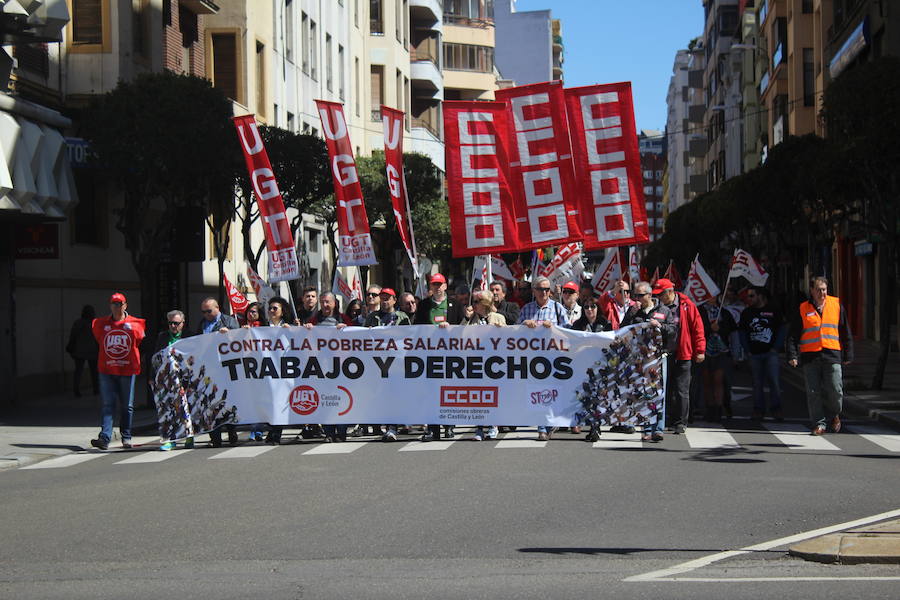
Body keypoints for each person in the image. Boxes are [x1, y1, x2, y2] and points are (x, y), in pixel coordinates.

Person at [787, 276, 853, 436]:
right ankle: (819, 424)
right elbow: (793, 334)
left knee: (836, 390)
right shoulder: (803, 308)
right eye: (818, 290)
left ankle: (835, 414)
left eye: (824, 289)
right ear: (812, 291)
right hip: (811, 356)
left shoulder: (836, 305)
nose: (822, 293)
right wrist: (792, 354)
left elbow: (845, 331)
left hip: (832, 354)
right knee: (813, 392)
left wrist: (848, 353)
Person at [90, 293, 146, 451]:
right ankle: (105, 437)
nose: (117, 306)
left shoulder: (136, 324)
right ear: (110, 305)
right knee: (108, 404)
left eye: (119, 303)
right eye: (114, 303)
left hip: (128, 370)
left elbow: (139, 342)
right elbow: (99, 340)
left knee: (127, 405)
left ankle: (126, 436)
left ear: (125, 305)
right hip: (106, 369)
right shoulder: (100, 324)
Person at [518, 276, 569, 441]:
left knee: (552, 391)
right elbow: (513, 333)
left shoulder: (557, 308)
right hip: (534, 358)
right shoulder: (526, 309)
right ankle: (541, 427)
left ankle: (550, 422)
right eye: (540, 289)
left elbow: (569, 331)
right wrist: (524, 324)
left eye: (547, 289)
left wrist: (553, 327)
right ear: (534, 291)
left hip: (554, 357)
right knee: (538, 392)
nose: (544, 292)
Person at [622, 281, 674, 441]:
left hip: (657, 357)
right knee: (642, 394)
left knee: (658, 393)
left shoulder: (664, 310)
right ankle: (645, 429)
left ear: (650, 295)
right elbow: (622, 329)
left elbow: (672, 331)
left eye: (640, 295)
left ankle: (657, 429)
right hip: (639, 359)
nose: (637, 298)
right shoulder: (633, 310)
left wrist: (660, 325)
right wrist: (632, 314)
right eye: (635, 295)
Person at [653, 278, 705, 434]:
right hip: (664, 354)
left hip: (683, 353)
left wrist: (700, 350)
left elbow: (698, 328)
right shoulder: (658, 308)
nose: (660, 297)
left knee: (682, 389)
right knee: (665, 388)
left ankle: (681, 422)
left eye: (661, 294)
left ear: (670, 292)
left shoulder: (687, 305)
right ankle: (666, 419)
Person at [362, 287, 412, 441]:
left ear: (394, 300)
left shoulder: (402, 317)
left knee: (394, 395)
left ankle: (393, 427)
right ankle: (380, 424)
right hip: (378, 364)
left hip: (396, 363)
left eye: (387, 298)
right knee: (381, 395)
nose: (384, 301)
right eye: (382, 297)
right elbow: (361, 337)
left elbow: (409, 337)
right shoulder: (372, 317)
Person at [415, 273, 458, 440]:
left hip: (450, 356)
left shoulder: (454, 304)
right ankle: (433, 428)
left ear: (445, 286)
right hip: (430, 356)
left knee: (448, 392)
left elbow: (464, 328)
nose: (437, 287)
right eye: (434, 284)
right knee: (431, 393)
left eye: (440, 284)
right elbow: (417, 328)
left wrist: (453, 326)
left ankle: (449, 426)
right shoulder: (424, 305)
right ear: (430, 287)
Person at [195, 298, 240, 447]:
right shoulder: (202, 324)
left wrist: (229, 334)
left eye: (209, 311)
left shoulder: (229, 321)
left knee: (227, 401)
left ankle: (231, 430)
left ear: (217, 308)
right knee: (210, 402)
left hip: (225, 367)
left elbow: (238, 339)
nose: (206, 314)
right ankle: (215, 436)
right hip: (208, 368)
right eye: (203, 312)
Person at [462, 291, 505, 441]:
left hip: (493, 364)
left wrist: (500, 330)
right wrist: (466, 319)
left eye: (476, 302)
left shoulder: (499, 318)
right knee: (477, 396)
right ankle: (479, 428)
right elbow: (457, 336)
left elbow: (508, 341)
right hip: (474, 363)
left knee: (492, 395)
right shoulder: (469, 320)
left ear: (485, 303)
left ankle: (493, 425)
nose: (472, 305)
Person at [739, 286, 786, 421]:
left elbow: (782, 330)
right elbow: (742, 333)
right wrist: (747, 350)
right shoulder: (746, 313)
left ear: (760, 296)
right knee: (756, 383)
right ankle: (758, 409)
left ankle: (776, 409)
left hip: (771, 354)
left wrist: (776, 348)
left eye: (752, 296)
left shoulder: (774, 310)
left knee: (774, 382)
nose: (749, 299)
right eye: (748, 296)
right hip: (754, 354)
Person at [154, 310, 196, 451]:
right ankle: (170, 440)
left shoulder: (190, 337)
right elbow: (155, 357)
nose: (173, 326)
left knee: (184, 410)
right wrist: (151, 377)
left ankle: (189, 436)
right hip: (167, 380)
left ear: (182, 324)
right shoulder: (162, 337)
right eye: (170, 323)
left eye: (176, 323)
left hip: (185, 379)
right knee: (167, 411)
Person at [264, 296, 296, 444]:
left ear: (282, 312)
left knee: (280, 400)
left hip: (284, 370)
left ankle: (276, 433)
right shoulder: (262, 327)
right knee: (269, 401)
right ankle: (271, 430)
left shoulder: (288, 327)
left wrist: (294, 330)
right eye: (269, 308)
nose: (271, 311)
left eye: (274, 308)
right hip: (267, 369)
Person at [699, 298, 736, 423]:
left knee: (718, 380)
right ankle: (710, 408)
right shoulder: (700, 311)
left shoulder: (724, 313)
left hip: (721, 351)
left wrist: (719, 329)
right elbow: (698, 329)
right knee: (707, 381)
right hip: (704, 350)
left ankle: (719, 409)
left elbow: (732, 330)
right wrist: (710, 328)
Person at [241, 302, 268, 442]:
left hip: (261, 368)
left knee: (260, 400)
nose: (251, 314)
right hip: (245, 368)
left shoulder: (264, 329)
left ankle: (257, 429)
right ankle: (255, 428)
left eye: (254, 312)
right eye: (249, 311)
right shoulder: (241, 328)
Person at [67, 304, 99, 397]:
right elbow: (98, 338)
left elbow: (73, 336)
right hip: (92, 351)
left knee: (78, 371)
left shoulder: (78, 323)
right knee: (94, 371)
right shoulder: (94, 323)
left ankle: (76, 389)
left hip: (79, 350)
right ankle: (96, 389)